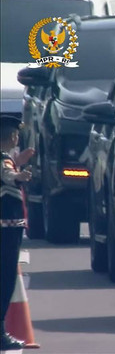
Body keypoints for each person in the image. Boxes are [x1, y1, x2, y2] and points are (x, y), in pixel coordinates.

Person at [0, 113, 33, 351]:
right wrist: (18, 175)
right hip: (6, 229)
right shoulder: (3, 161)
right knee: (5, 279)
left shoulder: (6, 159)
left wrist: (17, 165)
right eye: (16, 134)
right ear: (11, 136)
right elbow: (7, 176)